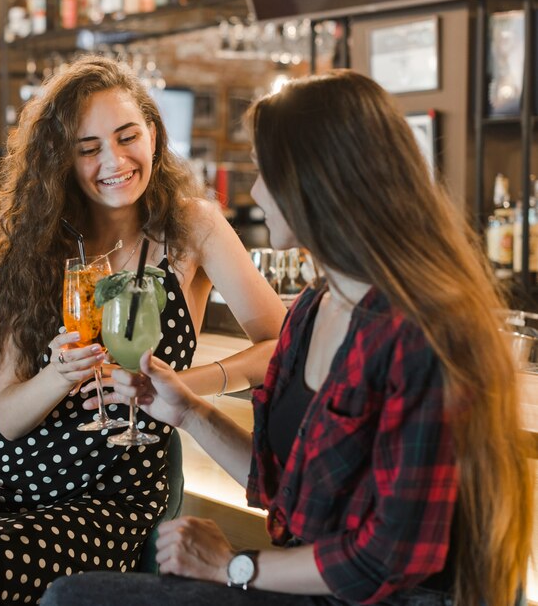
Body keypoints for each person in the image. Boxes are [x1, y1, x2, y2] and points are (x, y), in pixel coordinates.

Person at [41, 71, 533, 606]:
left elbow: (387, 559)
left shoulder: (425, 332)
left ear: (317, 181)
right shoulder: (315, 308)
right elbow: (284, 486)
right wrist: (187, 412)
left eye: (262, 172)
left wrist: (235, 567)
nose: (254, 192)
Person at [0, 55, 285, 605]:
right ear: (62, 160)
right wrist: (58, 375)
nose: (114, 160)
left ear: (153, 135)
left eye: (127, 136)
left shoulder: (192, 227)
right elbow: (10, 419)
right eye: (88, 149)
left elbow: (282, 344)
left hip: (110, 495)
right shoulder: (36, 247)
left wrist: (185, 387)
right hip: (4, 478)